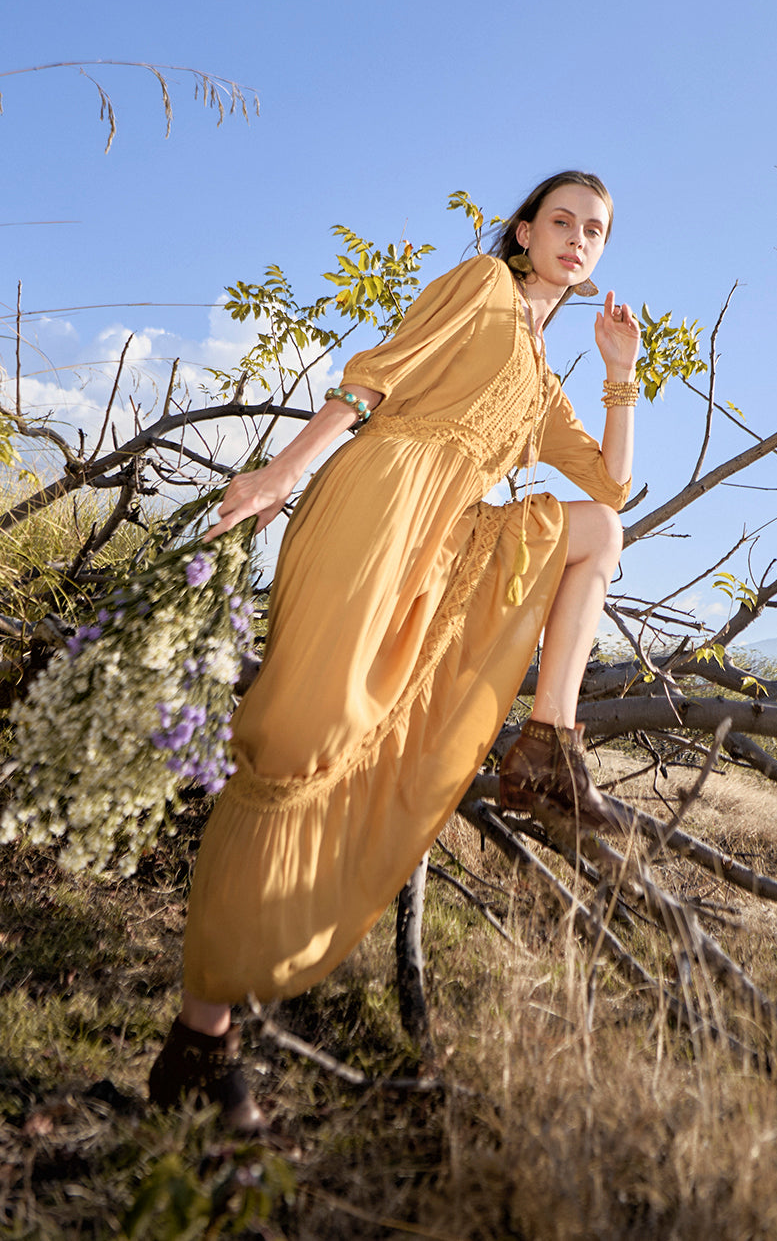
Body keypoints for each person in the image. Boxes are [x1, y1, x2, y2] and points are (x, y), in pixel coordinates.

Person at [148, 171, 642, 1129]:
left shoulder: (542, 378)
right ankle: (201, 1033)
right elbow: (378, 376)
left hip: (445, 535)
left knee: (596, 536)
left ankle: (547, 745)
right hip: (374, 508)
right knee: (298, 735)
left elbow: (612, 487)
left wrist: (619, 368)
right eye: (564, 222)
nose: (579, 240)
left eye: (597, 232)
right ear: (528, 231)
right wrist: (283, 473)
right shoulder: (481, 288)